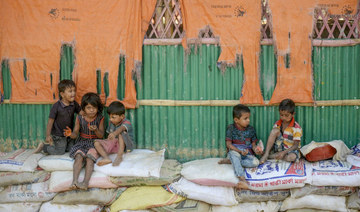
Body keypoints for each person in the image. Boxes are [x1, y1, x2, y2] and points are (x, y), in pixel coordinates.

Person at [219, 104, 262, 189]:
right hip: (235, 152)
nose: (248, 120)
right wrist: (239, 151)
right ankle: (242, 179)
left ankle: (232, 161)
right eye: (245, 118)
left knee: (256, 162)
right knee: (234, 155)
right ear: (236, 120)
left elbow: (253, 145)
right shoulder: (231, 128)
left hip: (247, 155)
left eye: (249, 118)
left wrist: (256, 150)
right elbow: (229, 144)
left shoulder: (251, 129)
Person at [67, 92, 105, 190]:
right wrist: (70, 134)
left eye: (94, 108)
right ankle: (74, 181)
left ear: (98, 108)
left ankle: (85, 183)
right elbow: (75, 133)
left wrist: (95, 130)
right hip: (82, 142)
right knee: (79, 156)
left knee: (89, 158)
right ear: (83, 108)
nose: (92, 110)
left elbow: (101, 135)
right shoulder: (79, 118)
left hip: (94, 143)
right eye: (88, 108)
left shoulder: (100, 118)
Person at [34, 80, 80, 154]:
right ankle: (44, 147)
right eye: (70, 91)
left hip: (69, 133)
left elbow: (80, 112)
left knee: (71, 149)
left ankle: (64, 145)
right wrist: (48, 135)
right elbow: (50, 121)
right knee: (60, 151)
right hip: (59, 134)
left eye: (74, 91)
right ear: (62, 94)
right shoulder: (56, 106)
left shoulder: (74, 104)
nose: (73, 93)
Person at [259, 98, 302, 164]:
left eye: (286, 115)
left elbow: (295, 145)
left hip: (291, 150)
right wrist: (269, 150)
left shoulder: (296, 128)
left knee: (291, 157)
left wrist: (283, 152)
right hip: (279, 148)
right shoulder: (277, 124)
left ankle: (272, 156)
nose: (283, 118)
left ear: (293, 114)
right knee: (274, 131)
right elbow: (273, 139)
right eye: (281, 115)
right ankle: (266, 154)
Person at [94, 101, 134, 166]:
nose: (110, 119)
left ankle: (119, 156)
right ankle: (106, 158)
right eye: (110, 117)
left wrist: (114, 134)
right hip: (115, 145)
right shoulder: (111, 123)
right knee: (96, 143)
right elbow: (109, 136)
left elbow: (121, 129)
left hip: (126, 146)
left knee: (121, 133)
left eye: (113, 117)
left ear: (122, 116)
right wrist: (108, 142)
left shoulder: (127, 122)